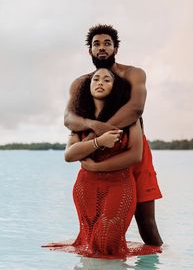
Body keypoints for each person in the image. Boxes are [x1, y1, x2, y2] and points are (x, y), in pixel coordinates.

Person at [42, 68, 161, 258]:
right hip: (86, 186)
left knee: (106, 241)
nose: (100, 82)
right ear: (88, 88)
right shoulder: (80, 119)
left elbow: (135, 156)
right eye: (95, 79)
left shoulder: (129, 119)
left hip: (119, 184)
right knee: (91, 244)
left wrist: (96, 166)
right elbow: (69, 155)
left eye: (107, 80)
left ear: (115, 88)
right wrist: (99, 141)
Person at [64, 24, 163, 246]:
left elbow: (136, 109)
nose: (102, 48)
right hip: (97, 150)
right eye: (96, 44)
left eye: (107, 43)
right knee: (98, 225)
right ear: (90, 50)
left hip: (130, 145)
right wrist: (94, 130)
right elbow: (68, 119)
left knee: (147, 223)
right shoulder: (82, 82)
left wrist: (97, 133)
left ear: (116, 48)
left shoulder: (133, 74)